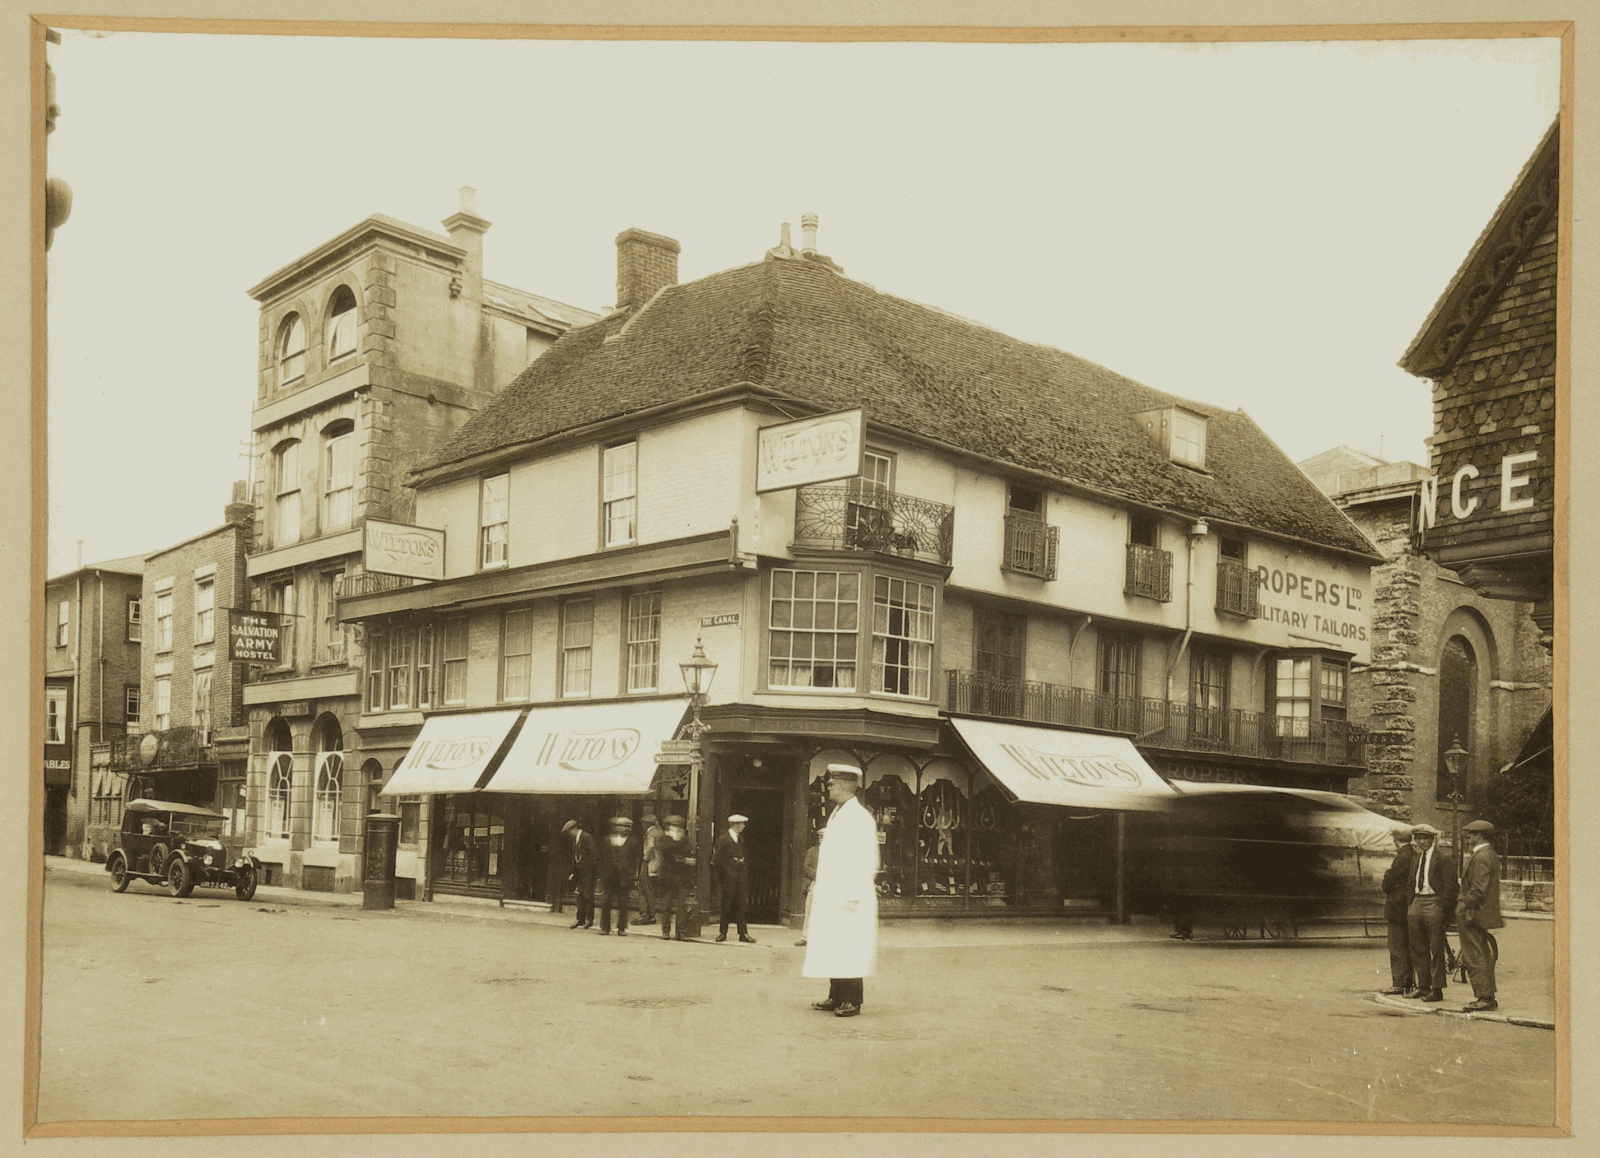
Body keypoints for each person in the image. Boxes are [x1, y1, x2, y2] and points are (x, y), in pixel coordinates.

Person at [802, 764, 879, 1018]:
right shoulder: (837, 812)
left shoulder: (859, 817)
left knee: (849, 946)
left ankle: (852, 1000)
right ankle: (836, 995)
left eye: (833, 783)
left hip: (849, 895)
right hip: (833, 893)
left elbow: (868, 860)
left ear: (847, 786)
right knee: (834, 944)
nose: (828, 786)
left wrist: (853, 894)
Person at [1405, 824, 1458, 1002]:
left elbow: (1451, 888)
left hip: (1435, 902)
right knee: (1417, 947)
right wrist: (1411, 902)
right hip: (1417, 902)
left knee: (1436, 948)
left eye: (1425, 838)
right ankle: (1423, 986)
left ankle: (1437, 989)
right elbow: (1410, 883)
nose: (1421, 842)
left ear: (1432, 839)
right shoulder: (1416, 858)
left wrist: (1443, 910)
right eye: (1418, 838)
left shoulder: (1443, 858)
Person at [1456, 819, 1505, 1012]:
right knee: (1481, 954)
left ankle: (1484, 997)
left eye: (1471, 834)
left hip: (1473, 913)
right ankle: (1487, 996)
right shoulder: (1487, 854)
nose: (1468, 838)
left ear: (1480, 836)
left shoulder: (1482, 856)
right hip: (1477, 913)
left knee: (1475, 956)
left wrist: (1464, 907)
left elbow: (1478, 889)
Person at [1379, 825, 1418, 995]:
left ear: (1395, 839)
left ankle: (1400, 983)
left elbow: (1388, 883)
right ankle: (1408, 982)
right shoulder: (1414, 855)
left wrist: (1387, 875)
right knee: (1407, 947)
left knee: (1397, 947)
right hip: (1408, 906)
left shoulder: (1402, 857)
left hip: (1398, 908)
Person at [712, 813, 755, 943]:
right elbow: (716, 860)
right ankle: (722, 933)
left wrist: (743, 867)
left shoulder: (740, 839)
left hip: (740, 877)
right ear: (735, 825)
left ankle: (743, 934)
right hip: (728, 878)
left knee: (741, 905)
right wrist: (729, 870)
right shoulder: (723, 839)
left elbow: (745, 856)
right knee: (726, 904)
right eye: (741, 824)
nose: (743, 826)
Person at [596, 816, 640, 936]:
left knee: (624, 903)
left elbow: (635, 860)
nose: (626, 829)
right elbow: (601, 858)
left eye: (628, 827)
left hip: (625, 876)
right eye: (623, 826)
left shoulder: (633, 842)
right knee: (606, 901)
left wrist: (633, 875)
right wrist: (601, 874)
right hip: (609, 876)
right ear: (615, 827)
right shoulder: (606, 840)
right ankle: (605, 927)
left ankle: (621, 928)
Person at [656, 814, 696, 941]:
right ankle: (666, 931)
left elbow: (689, 851)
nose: (678, 829)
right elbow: (666, 851)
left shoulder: (686, 839)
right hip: (668, 877)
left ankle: (680, 931)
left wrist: (683, 859)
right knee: (667, 905)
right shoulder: (663, 839)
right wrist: (683, 858)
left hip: (682, 877)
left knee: (681, 906)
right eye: (674, 826)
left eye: (679, 827)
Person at [562, 819, 597, 930]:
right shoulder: (575, 840)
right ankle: (580, 919)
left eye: (570, 832)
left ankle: (589, 919)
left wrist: (588, 870)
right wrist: (574, 872)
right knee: (580, 896)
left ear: (574, 829)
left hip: (588, 872)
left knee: (588, 895)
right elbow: (576, 858)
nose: (570, 834)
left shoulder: (587, 837)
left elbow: (594, 855)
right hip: (580, 872)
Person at [638, 811, 663, 925]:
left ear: (647, 824)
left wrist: (645, 858)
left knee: (644, 888)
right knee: (651, 890)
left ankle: (645, 914)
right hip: (658, 865)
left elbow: (650, 846)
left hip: (649, 864)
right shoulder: (660, 831)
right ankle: (651, 915)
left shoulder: (651, 833)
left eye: (643, 823)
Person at [795, 836, 819, 947]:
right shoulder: (812, 851)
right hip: (815, 883)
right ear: (819, 839)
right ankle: (805, 937)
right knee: (809, 910)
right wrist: (818, 875)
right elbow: (806, 867)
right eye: (822, 837)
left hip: (830, 885)